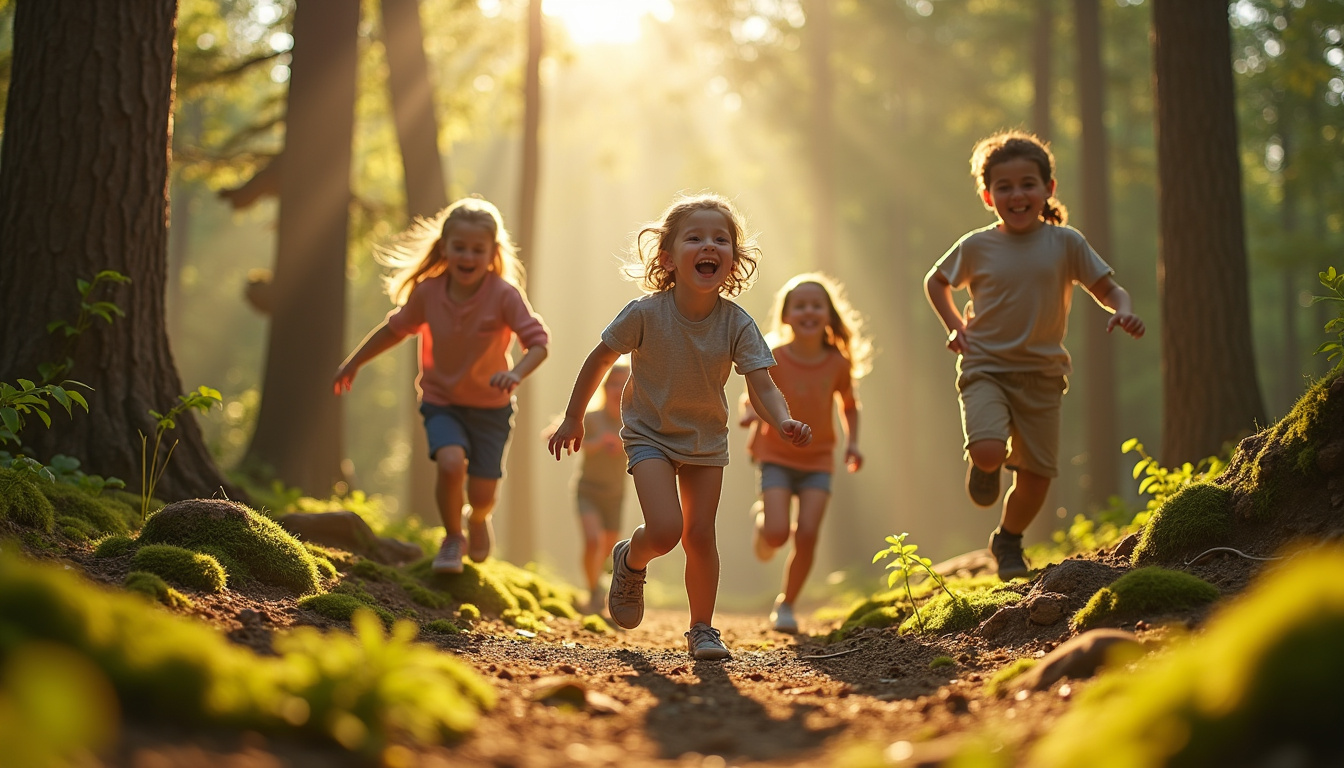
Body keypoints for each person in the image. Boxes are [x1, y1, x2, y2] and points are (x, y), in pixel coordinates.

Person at [548, 193, 811, 660]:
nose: (709, 246)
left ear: (733, 260)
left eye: (721, 240)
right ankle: (631, 559)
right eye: (695, 238)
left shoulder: (737, 324)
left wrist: (783, 419)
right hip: (649, 433)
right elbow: (600, 359)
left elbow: (762, 385)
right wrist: (573, 416)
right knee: (667, 529)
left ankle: (702, 629)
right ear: (668, 258)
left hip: (705, 439)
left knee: (700, 535)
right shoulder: (645, 313)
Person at [923, 130, 1145, 580]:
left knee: (1037, 477)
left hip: (1042, 374)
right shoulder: (977, 245)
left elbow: (1107, 288)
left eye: (1028, 184)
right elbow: (936, 281)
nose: (1017, 195)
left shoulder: (1066, 243)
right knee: (988, 450)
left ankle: (1008, 540)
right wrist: (955, 326)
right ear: (988, 196)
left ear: (1048, 189)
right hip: (985, 365)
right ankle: (985, 465)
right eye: (1004, 187)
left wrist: (1123, 310)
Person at [334, 197, 550, 575]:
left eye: (478, 249)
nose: (468, 256)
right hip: (442, 401)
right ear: (444, 248)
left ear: (492, 253)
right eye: (459, 247)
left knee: (482, 494)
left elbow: (538, 344)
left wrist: (516, 374)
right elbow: (394, 330)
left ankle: (477, 519)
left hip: (491, 407)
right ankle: (452, 538)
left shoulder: (504, 295)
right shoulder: (428, 292)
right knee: (450, 465)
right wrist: (354, 362)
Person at [739, 273, 871, 633]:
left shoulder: (838, 362)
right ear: (786, 315)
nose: (808, 311)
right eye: (800, 306)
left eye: (816, 305)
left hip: (818, 459)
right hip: (775, 455)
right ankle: (765, 522)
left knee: (808, 533)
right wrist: (751, 413)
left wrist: (853, 443)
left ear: (829, 315)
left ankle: (787, 604)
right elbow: (755, 393)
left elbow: (849, 405)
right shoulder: (774, 356)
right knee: (778, 534)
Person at [547, 359, 632, 615]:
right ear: (605, 388)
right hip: (588, 491)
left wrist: (622, 447)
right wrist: (594, 443)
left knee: (608, 550)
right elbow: (558, 433)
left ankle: (600, 585)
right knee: (593, 541)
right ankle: (594, 591)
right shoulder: (592, 418)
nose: (618, 390)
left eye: (624, 384)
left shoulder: (633, 422)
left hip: (615, 495)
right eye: (614, 384)